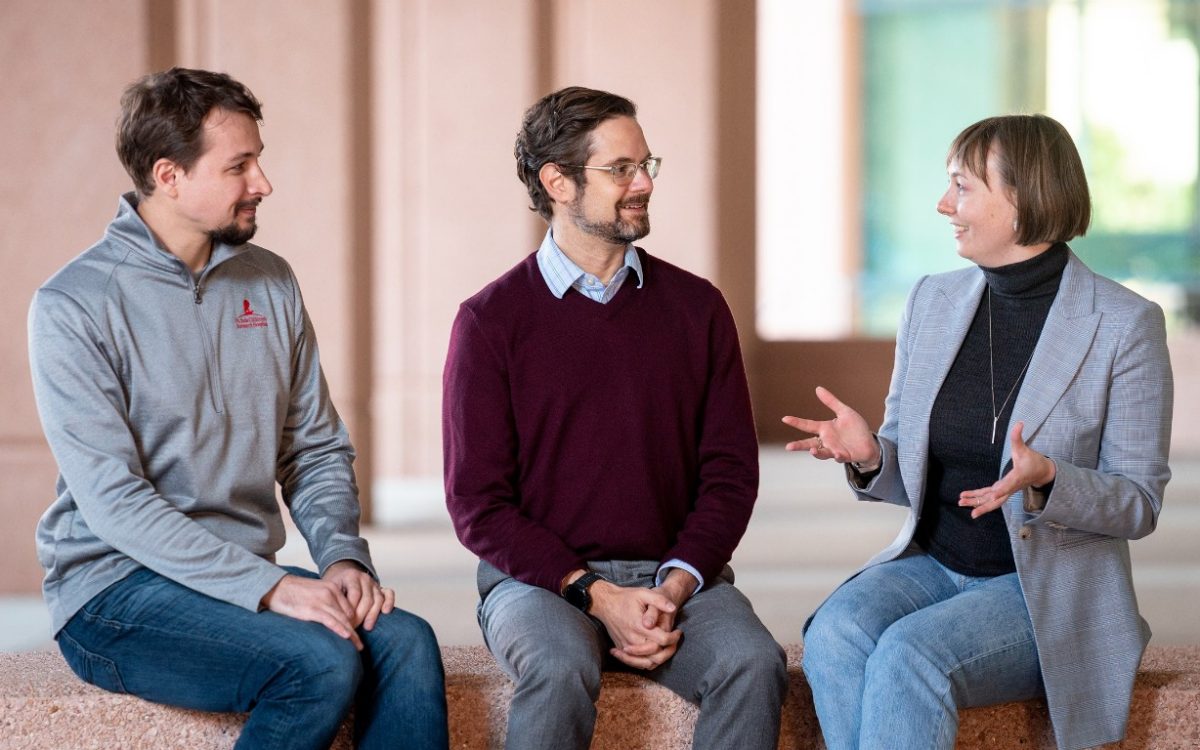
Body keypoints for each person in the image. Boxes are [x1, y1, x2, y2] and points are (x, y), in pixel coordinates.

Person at [28, 67, 448, 750]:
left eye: (259, 160)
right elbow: (112, 499)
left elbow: (312, 448)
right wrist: (269, 588)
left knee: (405, 642)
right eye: (239, 166)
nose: (263, 183)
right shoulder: (74, 305)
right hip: (114, 594)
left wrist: (342, 559)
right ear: (168, 176)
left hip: (241, 578)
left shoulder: (270, 281)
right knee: (319, 660)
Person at [783, 114, 1173, 750]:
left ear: (1020, 197)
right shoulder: (932, 302)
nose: (944, 205)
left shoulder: (1124, 324)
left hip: (1045, 592)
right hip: (934, 564)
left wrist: (1048, 480)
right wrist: (869, 457)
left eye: (961, 187)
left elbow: (1140, 503)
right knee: (835, 628)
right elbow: (907, 466)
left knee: (910, 655)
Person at [442, 85, 787, 750]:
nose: (642, 184)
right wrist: (594, 593)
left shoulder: (697, 308)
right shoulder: (490, 322)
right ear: (557, 181)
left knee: (753, 663)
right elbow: (477, 503)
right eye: (621, 169)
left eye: (646, 165)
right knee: (558, 666)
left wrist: (677, 581)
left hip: (676, 577)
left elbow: (730, 475)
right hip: (539, 583)